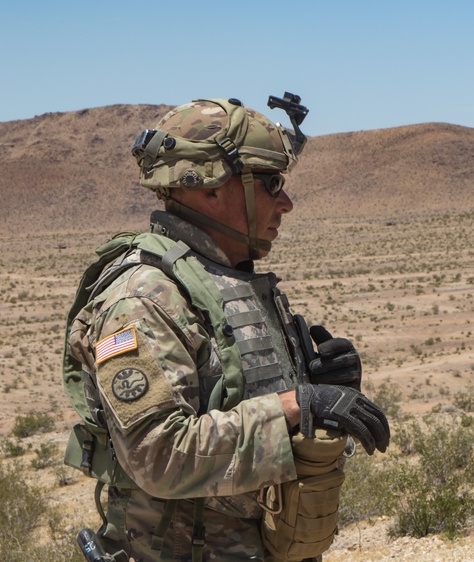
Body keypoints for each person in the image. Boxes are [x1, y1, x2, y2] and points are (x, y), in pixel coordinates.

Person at [62, 94, 390, 562]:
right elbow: (158, 454)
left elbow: (239, 401)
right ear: (210, 187)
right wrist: (296, 405)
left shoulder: (227, 280)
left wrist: (320, 393)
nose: (287, 202)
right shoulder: (145, 297)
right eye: (270, 182)